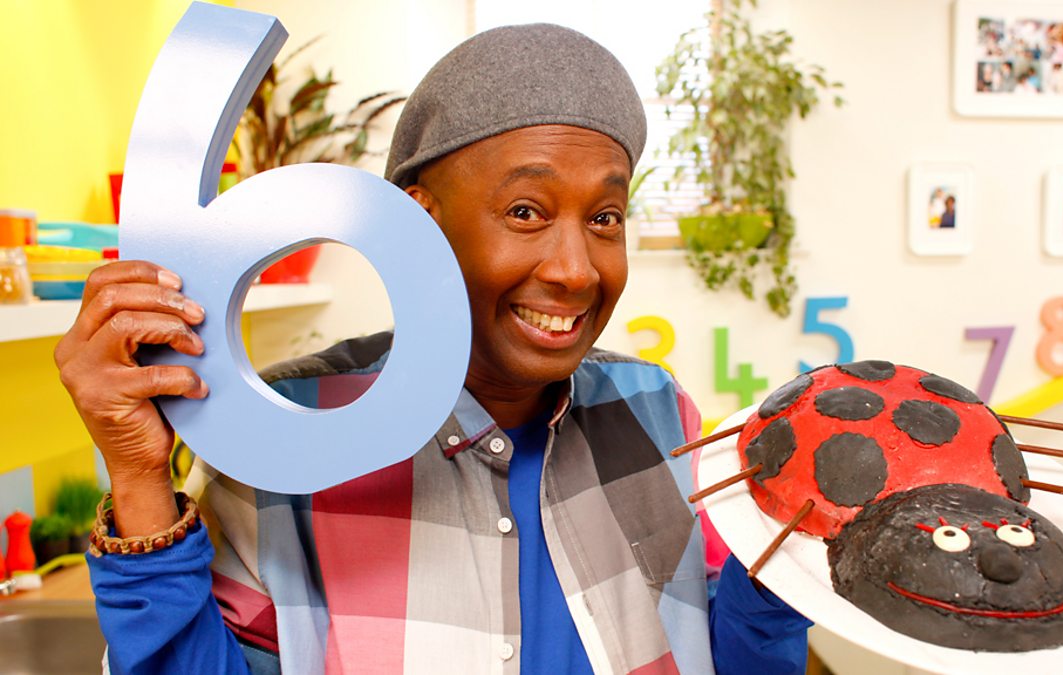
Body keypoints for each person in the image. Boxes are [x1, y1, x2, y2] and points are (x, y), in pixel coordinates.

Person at [55, 23, 813, 674]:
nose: (576, 270)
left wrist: (791, 562)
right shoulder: (285, 435)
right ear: (418, 223)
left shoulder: (659, 411)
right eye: (526, 211)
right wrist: (138, 475)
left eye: (605, 217)